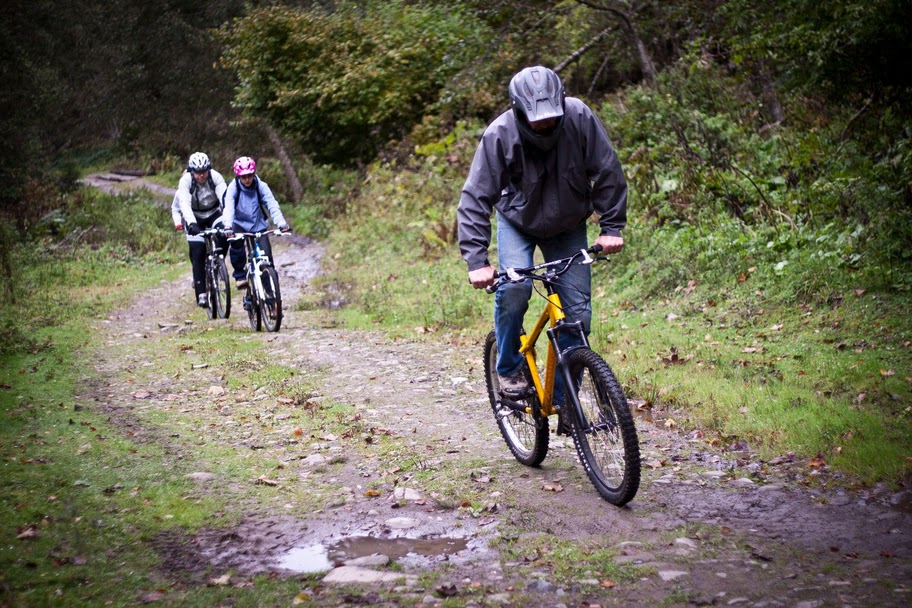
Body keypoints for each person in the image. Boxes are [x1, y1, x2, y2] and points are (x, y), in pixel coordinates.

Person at [457, 65, 627, 420]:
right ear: (519, 111)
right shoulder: (500, 134)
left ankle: (566, 401)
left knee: (577, 315)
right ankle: (508, 368)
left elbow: (607, 170)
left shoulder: (579, 118)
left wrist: (611, 226)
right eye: (536, 119)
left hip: (567, 224)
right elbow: (475, 198)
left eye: (551, 117)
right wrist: (477, 262)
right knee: (515, 287)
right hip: (518, 222)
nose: (545, 124)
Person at [222, 156, 291, 290]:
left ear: (254, 174)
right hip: (238, 225)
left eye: (249, 176)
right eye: (243, 177)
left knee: (267, 263)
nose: (247, 180)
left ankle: (273, 301)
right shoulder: (233, 188)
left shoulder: (261, 186)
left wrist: (281, 223)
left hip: (258, 226)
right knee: (237, 248)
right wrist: (228, 226)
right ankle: (240, 276)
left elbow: (272, 204)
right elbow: (229, 207)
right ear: (238, 176)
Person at [171, 151, 229, 308]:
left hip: (213, 213)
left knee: (225, 234)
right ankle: (202, 293)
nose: (201, 176)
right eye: (198, 173)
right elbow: (183, 203)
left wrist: (229, 219)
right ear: (191, 171)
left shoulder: (215, 176)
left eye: (204, 172)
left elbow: (225, 198)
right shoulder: (185, 181)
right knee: (197, 252)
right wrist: (190, 223)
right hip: (195, 216)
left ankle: (219, 264)